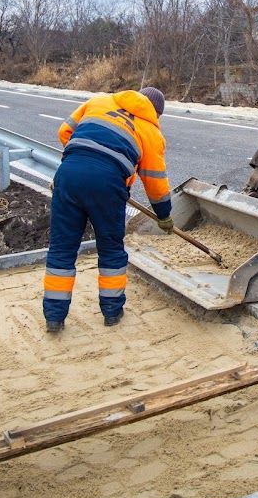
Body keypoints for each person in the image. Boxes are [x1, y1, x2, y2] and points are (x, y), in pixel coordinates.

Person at [43, 87, 173, 332]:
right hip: (108, 185)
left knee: (61, 249)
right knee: (111, 249)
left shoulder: (99, 101)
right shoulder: (150, 131)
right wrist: (164, 214)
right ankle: (112, 313)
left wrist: (79, 161)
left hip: (69, 175)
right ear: (156, 113)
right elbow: (155, 181)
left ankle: (54, 318)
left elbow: (65, 131)